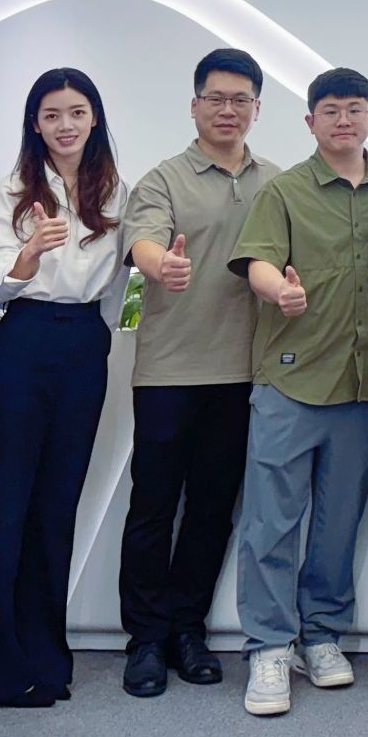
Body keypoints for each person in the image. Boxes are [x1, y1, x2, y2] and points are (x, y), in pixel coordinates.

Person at [228, 68, 368, 716]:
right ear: (310, 122)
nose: (343, 120)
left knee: (337, 523)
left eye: (355, 108)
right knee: (271, 522)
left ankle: (321, 634)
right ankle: (270, 646)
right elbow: (258, 261)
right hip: (291, 379)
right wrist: (280, 289)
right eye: (330, 110)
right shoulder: (284, 190)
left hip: (362, 385)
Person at [0, 69, 129, 708]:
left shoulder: (115, 189)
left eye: (76, 112)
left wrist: (100, 334)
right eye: (52, 114)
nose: (65, 125)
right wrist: (29, 255)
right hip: (24, 339)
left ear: (94, 117)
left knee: (58, 507)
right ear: (35, 123)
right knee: (6, 506)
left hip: (84, 346)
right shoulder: (10, 190)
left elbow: (116, 284)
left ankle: (46, 662)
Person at [117, 49, 278, 697]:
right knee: (153, 508)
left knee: (213, 510)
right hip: (169, 371)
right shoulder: (163, 178)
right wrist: (160, 264)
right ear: (194, 105)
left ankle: (188, 629)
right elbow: (142, 242)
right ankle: (144, 639)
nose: (228, 110)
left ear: (257, 108)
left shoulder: (276, 182)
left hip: (243, 372)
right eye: (216, 98)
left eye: (241, 99)